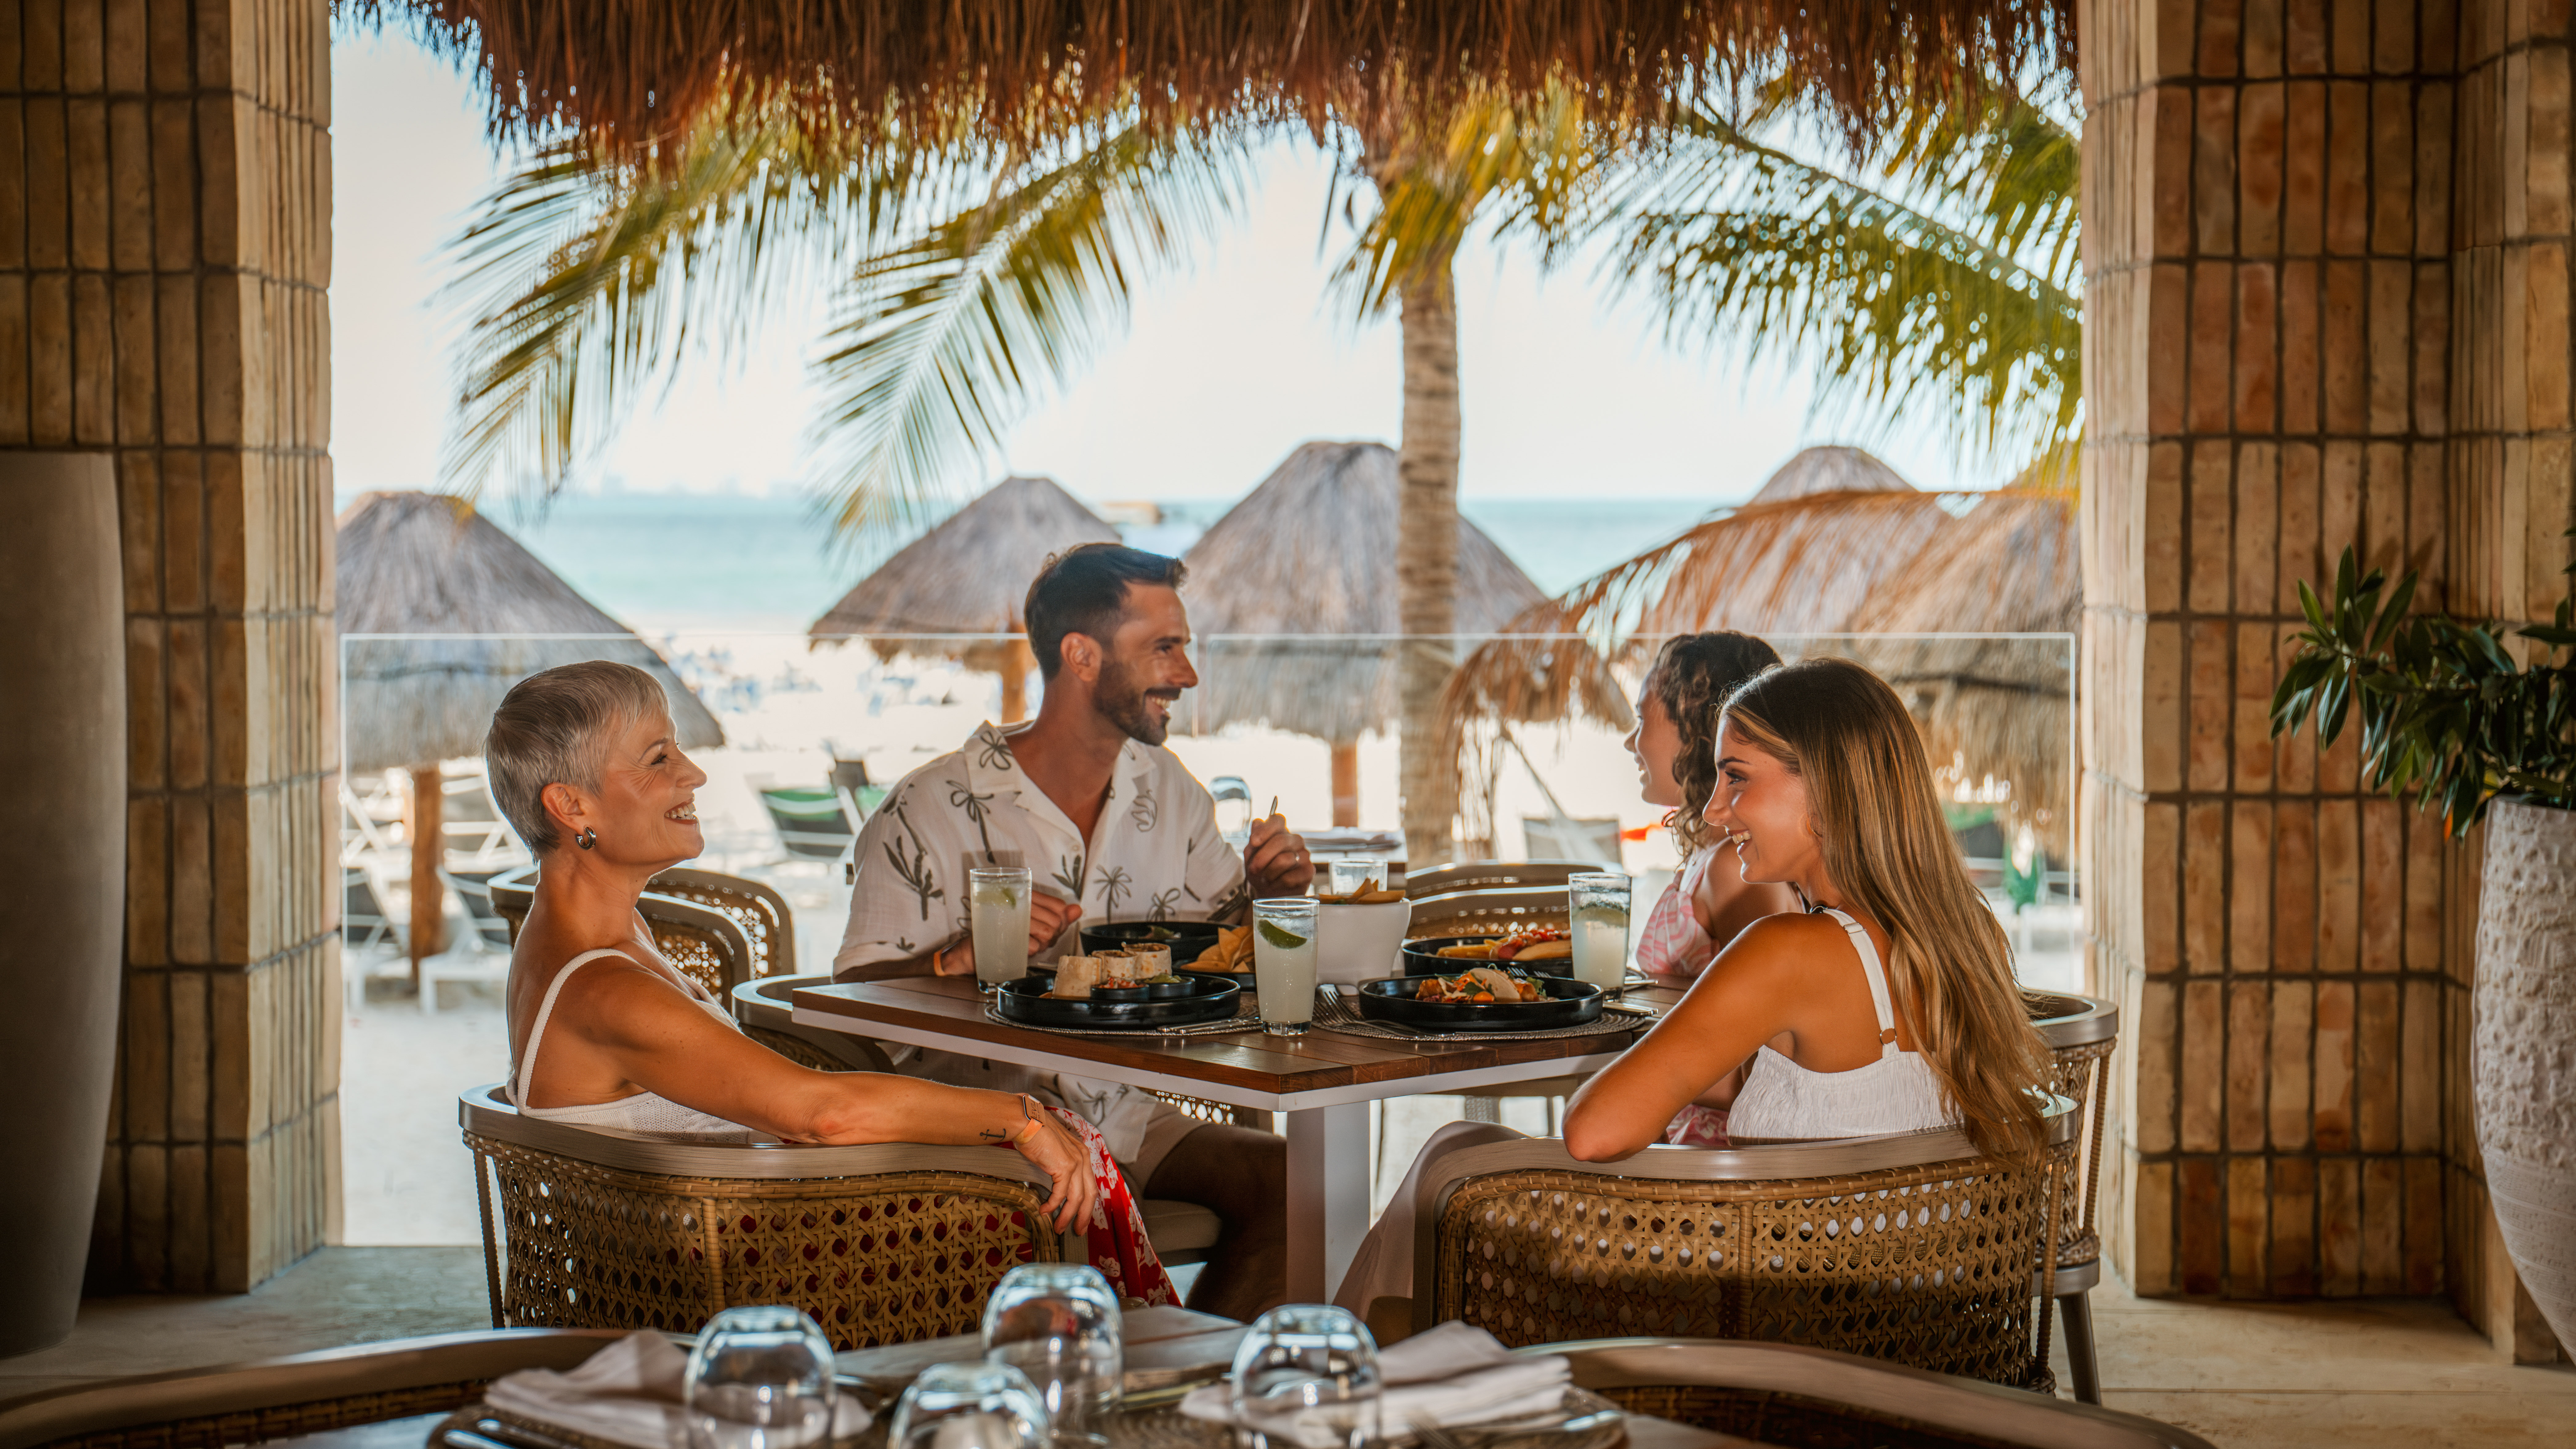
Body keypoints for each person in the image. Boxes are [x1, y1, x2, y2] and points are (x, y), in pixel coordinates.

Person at [1334, 655, 2048, 1328]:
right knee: (1453, 1169)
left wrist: (1647, 1054)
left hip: (1771, 1323)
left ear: (1829, 786)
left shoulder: (1788, 951)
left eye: (1736, 778)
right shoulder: (1966, 935)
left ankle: (1317, 1380)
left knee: (1448, 1162)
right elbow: (1847, 1091)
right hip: (1907, 1314)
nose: (1712, 811)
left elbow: (1593, 1130)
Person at [489, 660, 1174, 1306]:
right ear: (571, 806)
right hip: (728, 1278)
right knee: (1049, 1160)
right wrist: (1019, 1117)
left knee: (1052, 1136)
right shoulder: (604, 986)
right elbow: (821, 1113)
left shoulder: (585, 935)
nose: (693, 773)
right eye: (658, 758)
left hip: (705, 1239)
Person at [835, 544, 1311, 1319]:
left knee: (1300, 1183)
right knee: (1052, 1201)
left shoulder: (1172, 793)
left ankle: (1210, 1403)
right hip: (980, 1129)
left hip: (1125, 1113)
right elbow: (849, 1005)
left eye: (1186, 646)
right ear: (1081, 656)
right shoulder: (927, 808)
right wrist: (960, 957)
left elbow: (1226, 956)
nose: (1187, 674)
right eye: (1164, 646)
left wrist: (1272, 895)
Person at [1621, 633, 1803, 1144]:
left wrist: (1627, 1049)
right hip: (1679, 1132)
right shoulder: (1714, 858)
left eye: (1641, 722)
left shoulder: (1734, 867)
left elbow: (1772, 1065)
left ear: (1697, 731)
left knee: (1456, 1151)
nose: (1629, 742)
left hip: (1715, 1162)